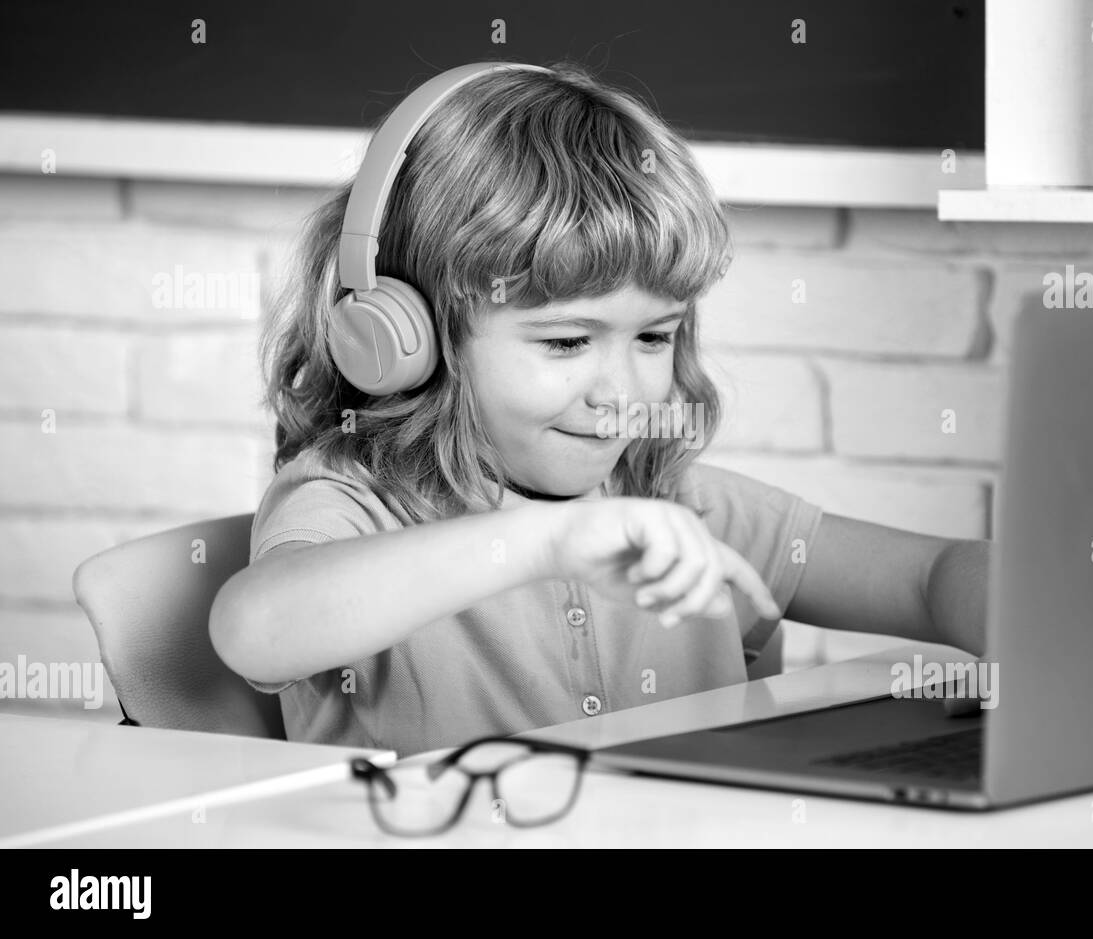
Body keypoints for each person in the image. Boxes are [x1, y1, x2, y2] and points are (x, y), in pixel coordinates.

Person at [210, 61, 989, 758]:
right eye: (566, 342)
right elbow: (257, 630)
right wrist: (551, 541)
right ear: (406, 334)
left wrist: (1056, 604)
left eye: (654, 336)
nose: (620, 394)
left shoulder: (678, 504)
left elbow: (928, 580)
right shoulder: (353, 502)